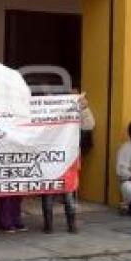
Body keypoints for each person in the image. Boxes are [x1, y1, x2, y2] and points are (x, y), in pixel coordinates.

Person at [40, 90, 95, 233]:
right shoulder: (46, 115)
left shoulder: (75, 113)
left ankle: (71, 224)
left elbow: (89, 125)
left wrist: (84, 108)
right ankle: (48, 225)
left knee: (69, 192)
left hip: (67, 158)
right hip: (48, 159)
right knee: (48, 191)